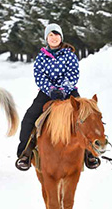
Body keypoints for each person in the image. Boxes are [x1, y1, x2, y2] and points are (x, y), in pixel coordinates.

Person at [16, 23, 100, 171]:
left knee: (85, 114)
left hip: (69, 92)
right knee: (30, 117)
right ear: (46, 38)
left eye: (56, 35)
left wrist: (63, 88)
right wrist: (51, 89)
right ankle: (25, 152)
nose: (54, 38)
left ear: (61, 37)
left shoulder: (69, 55)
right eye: (51, 35)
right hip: (47, 93)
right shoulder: (41, 57)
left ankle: (90, 153)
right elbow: (39, 76)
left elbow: (73, 74)